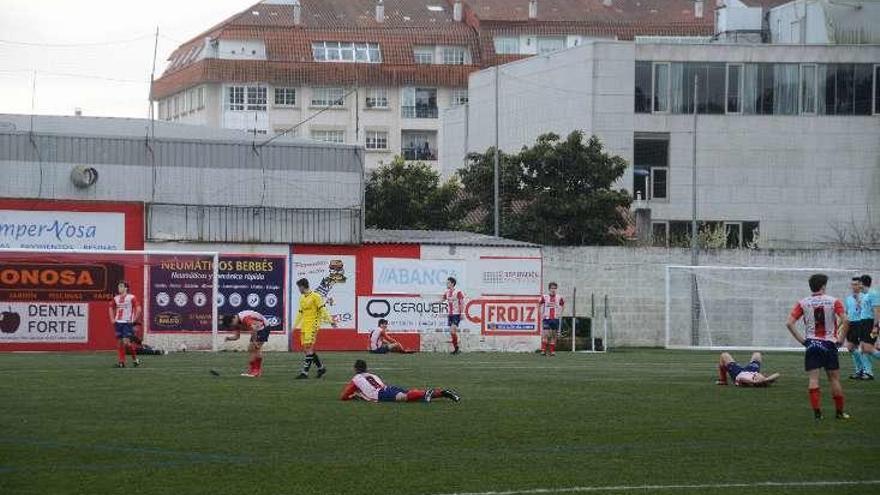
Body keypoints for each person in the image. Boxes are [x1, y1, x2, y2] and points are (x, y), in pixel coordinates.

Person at [785, 273, 850, 420]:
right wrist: (840, 340)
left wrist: (803, 341)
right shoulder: (834, 301)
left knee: (813, 379)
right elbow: (846, 321)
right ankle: (839, 413)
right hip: (829, 344)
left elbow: (789, 323)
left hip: (812, 344)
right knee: (834, 379)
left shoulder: (802, 303)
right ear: (823, 286)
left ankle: (817, 414)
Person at [339, 359, 460, 403]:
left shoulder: (356, 379)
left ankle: (428, 392)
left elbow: (344, 396)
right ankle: (442, 393)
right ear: (366, 368)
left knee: (405, 397)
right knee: (412, 395)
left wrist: (353, 396)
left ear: (355, 369)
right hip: (388, 388)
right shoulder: (372, 375)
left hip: (381, 394)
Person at [294, 278, 336, 379]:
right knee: (306, 349)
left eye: (299, 287)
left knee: (308, 348)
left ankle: (304, 373)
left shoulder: (316, 296)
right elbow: (300, 313)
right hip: (304, 326)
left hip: (313, 325)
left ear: (302, 286)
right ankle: (321, 368)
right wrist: (295, 325)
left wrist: (331, 321)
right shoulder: (302, 298)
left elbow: (323, 310)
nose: (298, 289)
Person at [222, 310, 269, 378]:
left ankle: (255, 372)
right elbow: (237, 337)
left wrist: (255, 341)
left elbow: (254, 328)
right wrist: (228, 338)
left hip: (263, 327)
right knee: (252, 349)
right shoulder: (236, 322)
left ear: (233, 319)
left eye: (231, 325)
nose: (232, 327)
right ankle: (254, 371)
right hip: (258, 328)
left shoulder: (245, 318)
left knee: (254, 348)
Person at [109, 281, 141, 368]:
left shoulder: (132, 297)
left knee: (126, 342)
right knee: (119, 343)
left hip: (127, 323)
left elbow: (138, 309)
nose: (119, 288)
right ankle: (121, 362)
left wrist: (134, 320)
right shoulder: (116, 298)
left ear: (126, 288)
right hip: (118, 323)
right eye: (118, 286)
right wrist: (112, 319)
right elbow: (111, 307)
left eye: (121, 286)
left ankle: (135, 359)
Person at [843, 277, 868, 379]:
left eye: (856, 284)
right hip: (851, 324)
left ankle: (865, 371)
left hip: (860, 323)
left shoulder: (865, 297)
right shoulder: (848, 298)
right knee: (850, 347)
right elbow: (847, 313)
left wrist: (858, 300)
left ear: (860, 285)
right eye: (852, 284)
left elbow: (867, 311)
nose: (854, 287)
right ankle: (860, 369)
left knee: (861, 348)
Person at [855, 274, 879, 380]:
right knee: (862, 348)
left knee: (868, 348)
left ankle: (868, 372)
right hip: (863, 323)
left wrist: (876, 326)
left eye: (859, 283)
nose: (857, 285)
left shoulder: (873, 294)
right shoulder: (863, 295)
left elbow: (877, 311)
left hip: (871, 324)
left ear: (862, 283)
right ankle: (868, 373)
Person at [715, 352, 780, 387]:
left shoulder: (749, 382)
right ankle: (723, 380)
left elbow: (741, 379)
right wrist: (766, 379)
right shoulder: (763, 379)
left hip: (737, 372)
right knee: (757, 354)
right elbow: (777, 374)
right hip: (752, 371)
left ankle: (723, 380)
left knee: (724, 355)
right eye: (763, 375)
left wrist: (754, 382)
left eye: (763, 376)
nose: (764, 374)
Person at [538, 282, 565, 356]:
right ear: (549, 289)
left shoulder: (559, 297)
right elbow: (539, 304)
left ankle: (552, 351)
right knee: (546, 334)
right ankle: (543, 351)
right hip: (546, 318)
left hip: (555, 319)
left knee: (553, 335)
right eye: (552, 288)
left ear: (556, 289)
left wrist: (560, 313)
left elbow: (562, 305)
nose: (553, 290)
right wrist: (541, 314)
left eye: (554, 288)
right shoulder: (545, 297)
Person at [441, 276, 465, 354]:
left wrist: (462, 313)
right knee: (452, 332)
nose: (446, 284)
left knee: (452, 330)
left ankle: (457, 348)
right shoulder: (447, 292)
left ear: (452, 283)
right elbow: (442, 300)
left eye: (448, 282)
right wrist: (433, 303)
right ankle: (456, 348)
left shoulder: (458, 292)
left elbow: (461, 303)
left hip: (456, 314)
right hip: (450, 314)